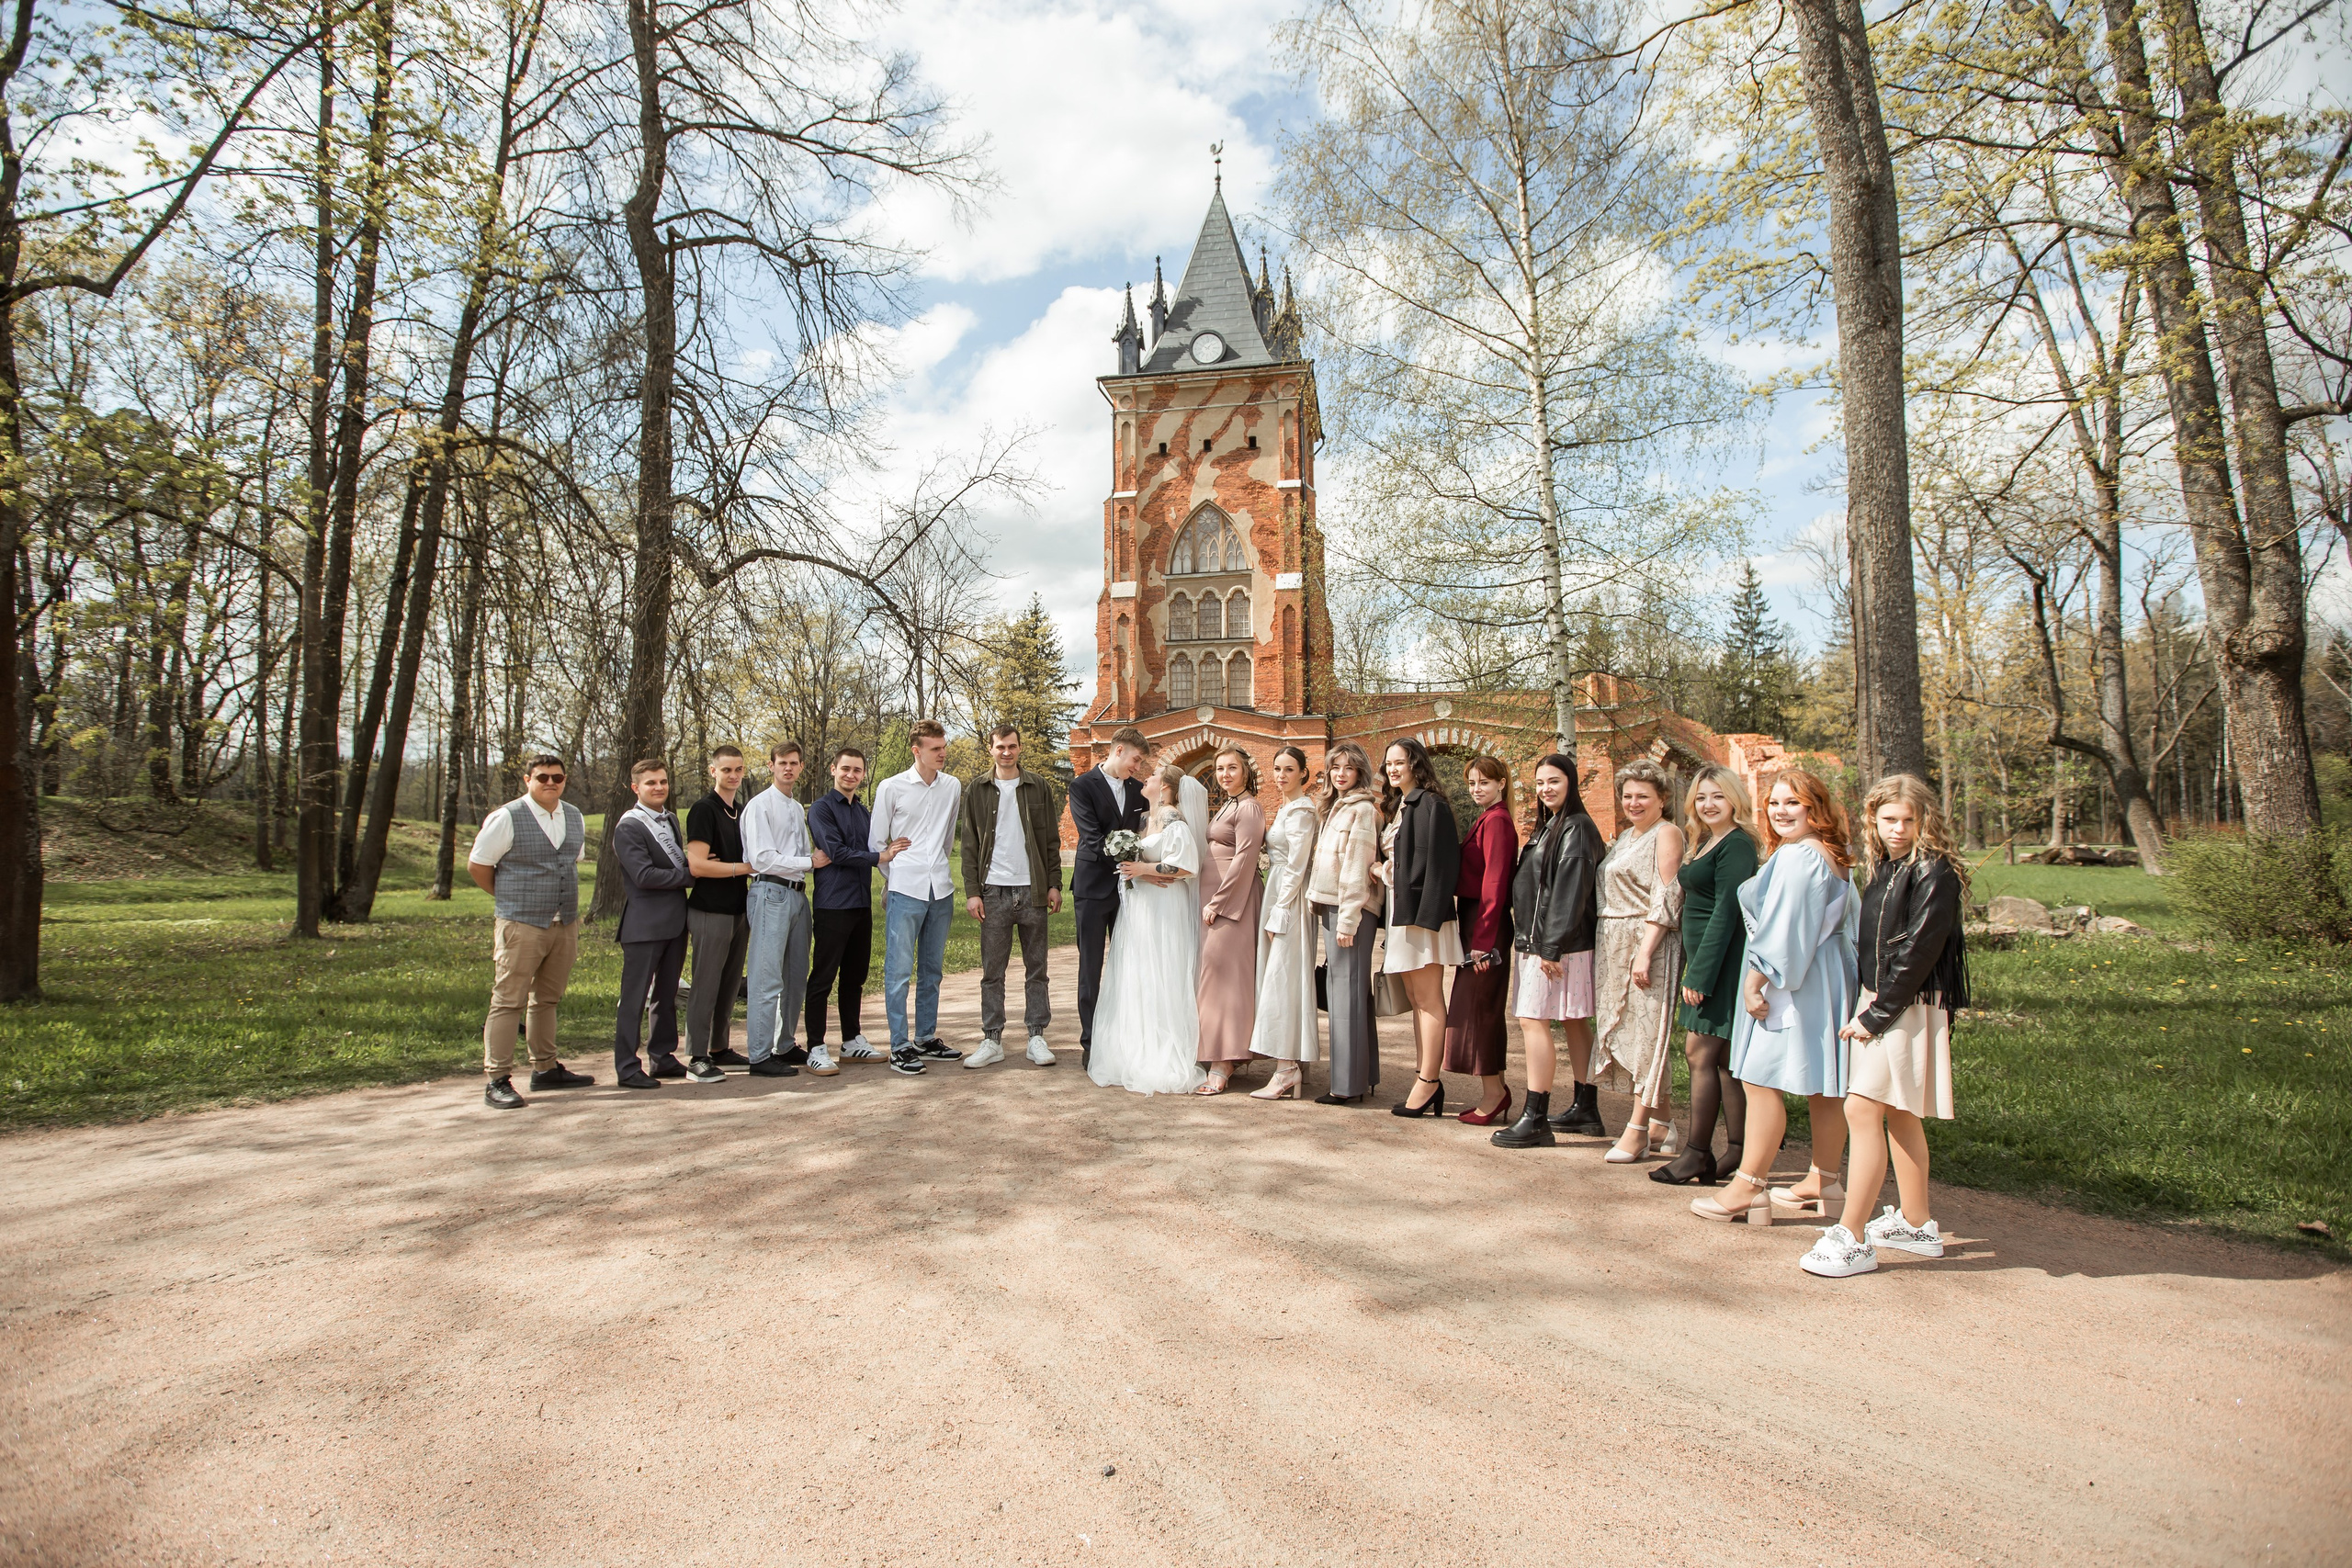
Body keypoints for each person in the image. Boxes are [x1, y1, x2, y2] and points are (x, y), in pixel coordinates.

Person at [1803, 773, 1969, 1278]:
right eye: (1889, 819)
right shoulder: (1890, 867)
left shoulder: (1934, 871)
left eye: (1908, 820)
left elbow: (1919, 952)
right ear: (1874, 818)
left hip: (1906, 1004)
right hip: (1886, 999)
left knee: (1862, 1108)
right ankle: (1917, 1224)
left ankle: (1853, 1238)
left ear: (1926, 821)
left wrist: (1875, 1014)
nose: (1898, 828)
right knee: (1899, 1113)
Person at [1690, 769, 1858, 1225]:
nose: (1781, 812)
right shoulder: (1834, 855)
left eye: (1793, 803)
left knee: (1760, 1079)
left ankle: (1749, 1187)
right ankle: (1824, 1179)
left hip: (1791, 981)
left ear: (1814, 808)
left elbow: (1785, 928)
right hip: (1827, 976)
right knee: (1826, 1086)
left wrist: (1755, 981)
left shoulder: (1799, 857)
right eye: (1775, 803)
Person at [1652, 765, 1761, 1186]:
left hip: (1720, 965)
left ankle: (1698, 1152)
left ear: (1734, 798)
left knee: (1701, 1054)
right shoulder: (1707, 841)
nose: (1708, 804)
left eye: (1717, 796)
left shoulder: (1736, 845)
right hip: (1704, 960)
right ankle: (1738, 1151)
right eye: (1701, 797)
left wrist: (1699, 975)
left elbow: (1726, 913)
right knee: (1722, 1063)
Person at [469, 753, 594, 1109]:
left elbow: (570, 860)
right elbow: (479, 865)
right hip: (521, 923)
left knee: (548, 999)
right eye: (542, 777)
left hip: (563, 922)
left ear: (565, 780)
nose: (550, 783)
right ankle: (498, 1078)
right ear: (528, 780)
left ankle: (545, 1068)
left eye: (557, 777)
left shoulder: (573, 816)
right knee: (509, 1000)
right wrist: (510, 897)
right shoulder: (506, 817)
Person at [1491, 754, 1602, 1149]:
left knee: (1532, 1020)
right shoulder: (1550, 827)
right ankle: (1586, 1106)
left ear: (1570, 783)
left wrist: (1549, 947)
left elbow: (1571, 892)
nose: (1546, 789)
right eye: (1539, 783)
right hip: (1548, 942)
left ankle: (1535, 1117)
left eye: (1554, 781)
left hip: (1553, 945)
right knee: (1573, 1020)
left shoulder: (1576, 828)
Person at [1086, 761, 1205, 1095]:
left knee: (1162, 969)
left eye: (1153, 775)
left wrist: (1144, 867)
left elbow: (1185, 866)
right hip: (1141, 907)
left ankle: (1165, 1048)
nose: (1147, 778)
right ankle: (1137, 1046)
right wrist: (1139, 870)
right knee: (1140, 972)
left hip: (1164, 906)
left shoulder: (1173, 819)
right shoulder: (1143, 819)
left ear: (1166, 787)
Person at [1589, 761, 1687, 1162]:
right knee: (1626, 1031)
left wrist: (1645, 952)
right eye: (1627, 795)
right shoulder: (1627, 836)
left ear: (1662, 799)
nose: (1633, 802)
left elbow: (1667, 896)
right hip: (1612, 942)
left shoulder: (1668, 833)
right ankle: (1663, 1121)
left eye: (1643, 796)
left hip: (1648, 940)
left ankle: (1638, 1130)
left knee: (1647, 1034)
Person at [958, 723, 1064, 1069]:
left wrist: (1054, 883)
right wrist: (973, 892)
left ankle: (1037, 1036)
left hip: (1032, 889)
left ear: (1020, 748)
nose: (1007, 752)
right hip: (993, 892)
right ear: (991, 749)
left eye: (1012, 746)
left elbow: (1051, 840)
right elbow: (970, 845)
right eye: (1000, 746)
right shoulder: (977, 789)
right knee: (993, 971)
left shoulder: (1038, 786)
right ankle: (992, 1039)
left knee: (1037, 969)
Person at [870, 719, 966, 1074]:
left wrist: (935, 866)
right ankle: (899, 1045)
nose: (942, 754)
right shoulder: (891, 787)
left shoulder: (952, 786)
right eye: (935, 749)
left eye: (944, 748)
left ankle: (926, 1038)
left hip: (940, 888)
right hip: (905, 888)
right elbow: (877, 843)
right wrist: (896, 877)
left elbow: (946, 837)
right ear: (917, 750)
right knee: (897, 971)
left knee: (932, 969)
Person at [1381, 738, 1464, 1119]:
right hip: (1404, 912)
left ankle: (1429, 1082)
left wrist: (1427, 920)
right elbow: (1402, 865)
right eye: (1389, 764)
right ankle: (1424, 1075)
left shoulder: (1431, 804)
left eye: (1400, 762)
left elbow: (1443, 866)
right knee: (1416, 999)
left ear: (1416, 763)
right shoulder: (1402, 805)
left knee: (1429, 998)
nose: (1393, 769)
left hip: (1422, 916)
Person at [607, 759, 699, 1089]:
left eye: (662, 782)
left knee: (666, 993)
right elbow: (643, 875)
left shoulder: (671, 819)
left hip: (675, 922)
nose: (658, 787)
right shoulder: (628, 826)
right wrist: (690, 875)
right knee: (634, 999)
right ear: (636, 788)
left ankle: (662, 1056)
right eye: (650, 783)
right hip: (644, 925)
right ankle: (627, 1066)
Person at [1304, 741, 1383, 1106]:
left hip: (1350, 911)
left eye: (1348, 768)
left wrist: (1348, 921)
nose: (1340, 774)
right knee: (1349, 993)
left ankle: (1346, 1086)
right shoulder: (1338, 806)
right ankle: (1361, 1076)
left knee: (1345, 995)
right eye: (1335, 767)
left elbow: (1356, 870)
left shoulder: (1362, 809)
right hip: (1335, 908)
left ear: (1360, 772)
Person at [742, 741, 827, 1077]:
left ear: (802, 767)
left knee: (795, 975)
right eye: (782, 763)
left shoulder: (795, 808)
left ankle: (785, 1043)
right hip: (770, 891)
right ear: (771, 765)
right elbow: (761, 858)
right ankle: (759, 1055)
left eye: (794, 763)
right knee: (766, 977)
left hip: (797, 895)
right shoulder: (760, 805)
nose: (788, 768)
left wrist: (806, 866)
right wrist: (809, 862)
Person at [1068, 727, 1149, 1067]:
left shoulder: (1139, 792)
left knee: (1127, 965)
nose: (1138, 766)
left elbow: (1146, 832)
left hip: (1130, 892)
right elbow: (1090, 836)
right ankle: (1091, 1043)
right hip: (1092, 889)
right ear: (1117, 751)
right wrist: (1124, 856)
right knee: (1090, 968)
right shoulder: (1082, 786)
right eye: (1135, 759)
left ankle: (1124, 1040)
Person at [1444, 756, 1518, 1125]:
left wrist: (1483, 942)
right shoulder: (1487, 818)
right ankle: (1496, 1090)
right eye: (1472, 782)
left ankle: (1494, 1095)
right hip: (1477, 921)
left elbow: (1495, 884)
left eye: (1484, 782)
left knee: (1480, 1011)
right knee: (1481, 1007)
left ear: (1501, 783)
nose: (1476, 789)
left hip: (1485, 926)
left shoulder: (1498, 822)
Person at [1248, 746, 1321, 1100]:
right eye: (1277, 768)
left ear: (1303, 773)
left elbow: (1297, 864)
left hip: (1288, 897)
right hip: (1277, 889)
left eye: (1289, 769)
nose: (1281, 775)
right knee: (1278, 975)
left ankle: (1286, 1069)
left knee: (1283, 978)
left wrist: (1280, 908)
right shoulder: (1287, 808)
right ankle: (1288, 1063)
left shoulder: (1303, 811)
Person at [1194, 746, 1266, 1094]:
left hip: (1231, 902)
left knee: (1224, 975)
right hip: (1214, 899)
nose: (1225, 774)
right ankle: (1218, 1051)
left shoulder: (1249, 806)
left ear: (1246, 771)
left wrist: (1218, 903)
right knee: (1214, 974)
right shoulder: (1229, 803)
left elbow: (1245, 859)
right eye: (1220, 768)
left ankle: (1224, 1059)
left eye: (1232, 768)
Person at [808, 747, 882, 1064]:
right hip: (833, 904)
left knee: (855, 976)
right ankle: (815, 1046)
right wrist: (880, 857)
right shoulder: (821, 809)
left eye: (857, 770)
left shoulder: (863, 812)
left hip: (860, 904)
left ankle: (851, 1039)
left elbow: (861, 849)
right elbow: (836, 853)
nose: (851, 775)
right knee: (823, 977)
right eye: (846, 769)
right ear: (833, 769)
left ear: (863, 775)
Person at [683, 744, 753, 1075]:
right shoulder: (703, 810)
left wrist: (730, 866)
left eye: (738, 769)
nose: (734, 776)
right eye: (727, 770)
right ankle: (697, 1055)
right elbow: (697, 866)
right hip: (710, 910)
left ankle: (719, 1047)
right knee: (706, 983)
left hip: (739, 909)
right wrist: (742, 867)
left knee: (728, 985)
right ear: (713, 771)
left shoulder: (740, 811)